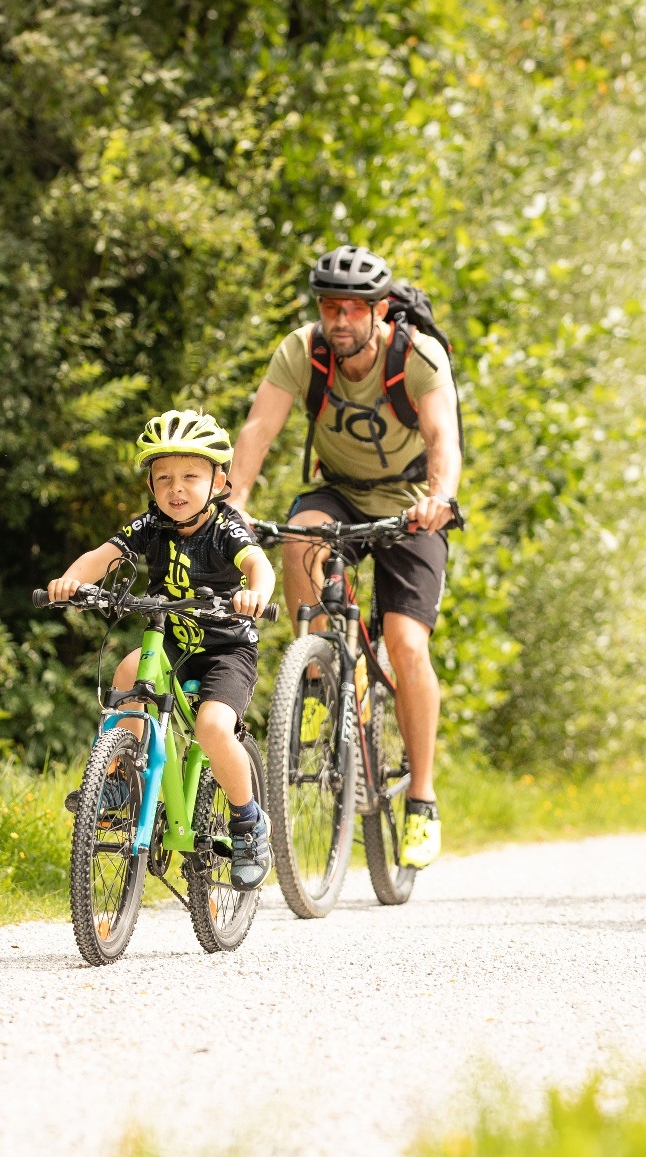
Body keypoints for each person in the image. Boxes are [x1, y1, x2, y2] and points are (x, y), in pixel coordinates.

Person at [226, 245, 461, 870]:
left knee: (406, 643)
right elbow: (259, 428)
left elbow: (442, 435)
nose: (340, 319)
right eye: (331, 306)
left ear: (380, 310)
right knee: (299, 533)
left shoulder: (417, 356)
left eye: (354, 308)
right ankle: (324, 676)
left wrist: (441, 497)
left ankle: (421, 800)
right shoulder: (303, 352)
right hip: (339, 493)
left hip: (412, 504)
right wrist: (236, 498)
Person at [47, 410, 278, 889]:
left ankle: (248, 821)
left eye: (191, 476)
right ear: (151, 485)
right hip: (171, 637)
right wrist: (72, 581)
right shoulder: (151, 525)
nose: (176, 488)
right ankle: (120, 778)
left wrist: (257, 593)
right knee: (129, 673)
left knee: (215, 728)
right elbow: (102, 556)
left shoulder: (226, 528)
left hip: (225, 647)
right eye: (164, 477)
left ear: (218, 481)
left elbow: (258, 563)